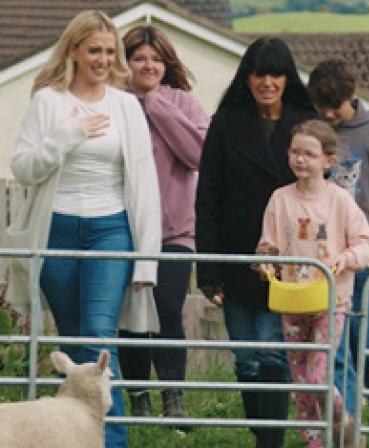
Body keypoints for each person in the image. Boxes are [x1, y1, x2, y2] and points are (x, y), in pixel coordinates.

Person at [4, 10, 161, 448]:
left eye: (110, 52)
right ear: (73, 50)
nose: (103, 60)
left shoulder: (126, 106)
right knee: (75, 346)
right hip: (55, 230)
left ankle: (113, 440)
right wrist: (67, 135)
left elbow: (145, 185)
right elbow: (24, 168)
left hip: (110, 229)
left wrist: (146, 262)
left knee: (97, 337)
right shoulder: (47, 102)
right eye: (94, 50)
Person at [195, 36, 317, 448]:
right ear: (246, 78)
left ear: (288, 78)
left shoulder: (307, 123)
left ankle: (270, 441)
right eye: (259, 74)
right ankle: (261, 431)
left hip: (289, 256)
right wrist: (208, 269)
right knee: (246, 355)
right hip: (236, 253)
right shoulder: (225, 123)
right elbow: (208, 197)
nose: (267, 83)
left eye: (275, 74)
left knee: (271, 350)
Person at [256, 119, 369, 448]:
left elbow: (366, 244)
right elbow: (268, 243)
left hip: (330, 301)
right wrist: (266, 261)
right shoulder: (280, 199)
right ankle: (314, 442)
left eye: (309, 154)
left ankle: (344, 425)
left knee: (317, 375)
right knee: (301, 383)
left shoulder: (340, 201)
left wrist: (346, 258)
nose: (300, 159)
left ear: (328, 161)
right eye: (294, 152)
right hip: (292, 300)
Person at [117, 25, 209, 421]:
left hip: (175, 231)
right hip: (124, 229)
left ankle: (173, 399)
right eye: (138, 58)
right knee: (132, 314)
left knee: (168, 308)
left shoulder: (183, 102)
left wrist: (156, 104)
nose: (148, 65)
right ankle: (139, 399)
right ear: (125, 62)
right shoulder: (113, 101)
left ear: (166, 63)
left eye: (155, 59)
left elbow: (199, 155)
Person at [307, 59, 369, 433]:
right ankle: (347, 432)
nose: (330, 115)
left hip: (366, 262)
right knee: (337, 353)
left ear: (352, 95)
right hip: (324, 261)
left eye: (336, 107)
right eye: (322, 108)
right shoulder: (313, 134)